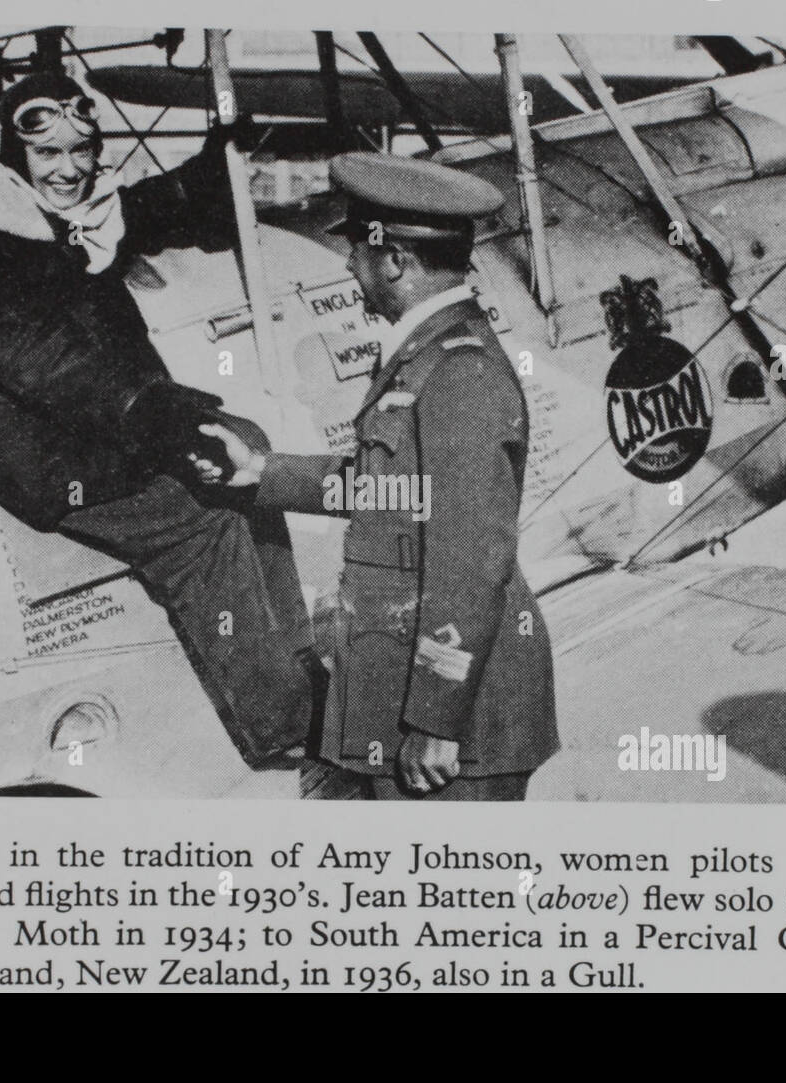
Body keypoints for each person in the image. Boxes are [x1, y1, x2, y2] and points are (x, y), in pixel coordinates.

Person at [0, 72, 320, 766]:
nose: (69, 170)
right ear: (14, 155)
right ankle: (286, 727)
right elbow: (46, 360)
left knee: (247, 451)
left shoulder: (37, 201)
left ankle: (300, 660)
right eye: (49, 155)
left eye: (82, 150)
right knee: (199, 519)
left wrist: (204, 175)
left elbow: (126, 211)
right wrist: (155, 411)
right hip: (44, 456)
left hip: (94, 421)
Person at [193, 152, 559, 800]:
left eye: (357, 247)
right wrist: (262, 472)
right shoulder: (426, 352)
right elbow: (392, 486)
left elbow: (473, 555)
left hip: (459, 719)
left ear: (395, 261)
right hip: (404, 686)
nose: (347, 264)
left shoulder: (459, 373)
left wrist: (435, 720)